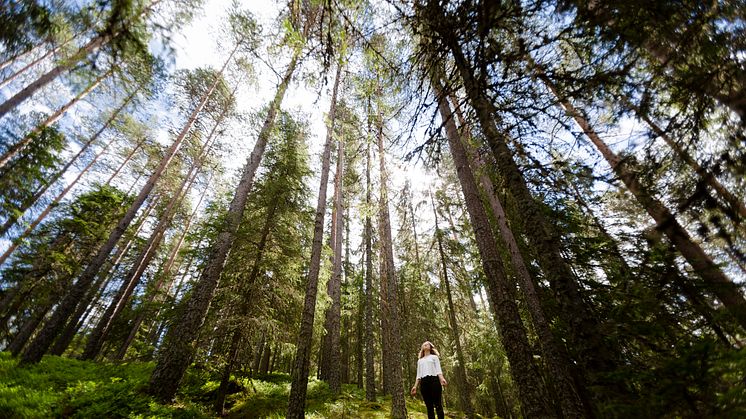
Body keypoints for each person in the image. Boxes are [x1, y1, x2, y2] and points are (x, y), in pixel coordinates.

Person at [410, 341, 447, 419]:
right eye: (424, 344)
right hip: (424, 383)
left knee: (438, 404)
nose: (425, 345)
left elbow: (438, 370)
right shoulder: (420, 361)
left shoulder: (434, 357)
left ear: (430, 347)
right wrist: (415, 387)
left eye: (427, 344)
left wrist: (442, 379)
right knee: (429, 406)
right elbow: (418, 375)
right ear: (422, 348)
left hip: (434, 381)